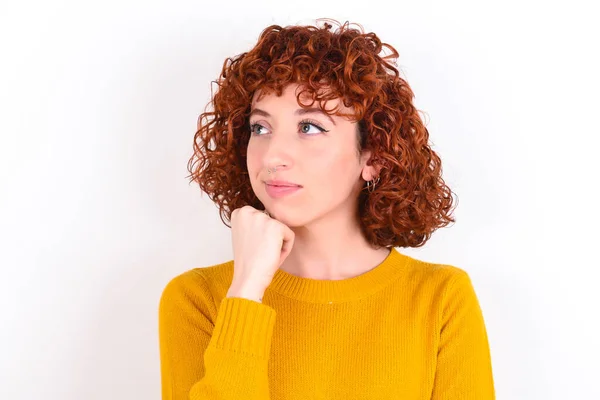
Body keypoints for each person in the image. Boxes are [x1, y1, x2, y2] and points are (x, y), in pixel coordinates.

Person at [158, 19, 495, 400]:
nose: (273, 155)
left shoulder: (441, 299)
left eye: (310, 128)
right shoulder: (198, 300)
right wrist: (246, 292)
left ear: (373, 157)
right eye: (260, 128)